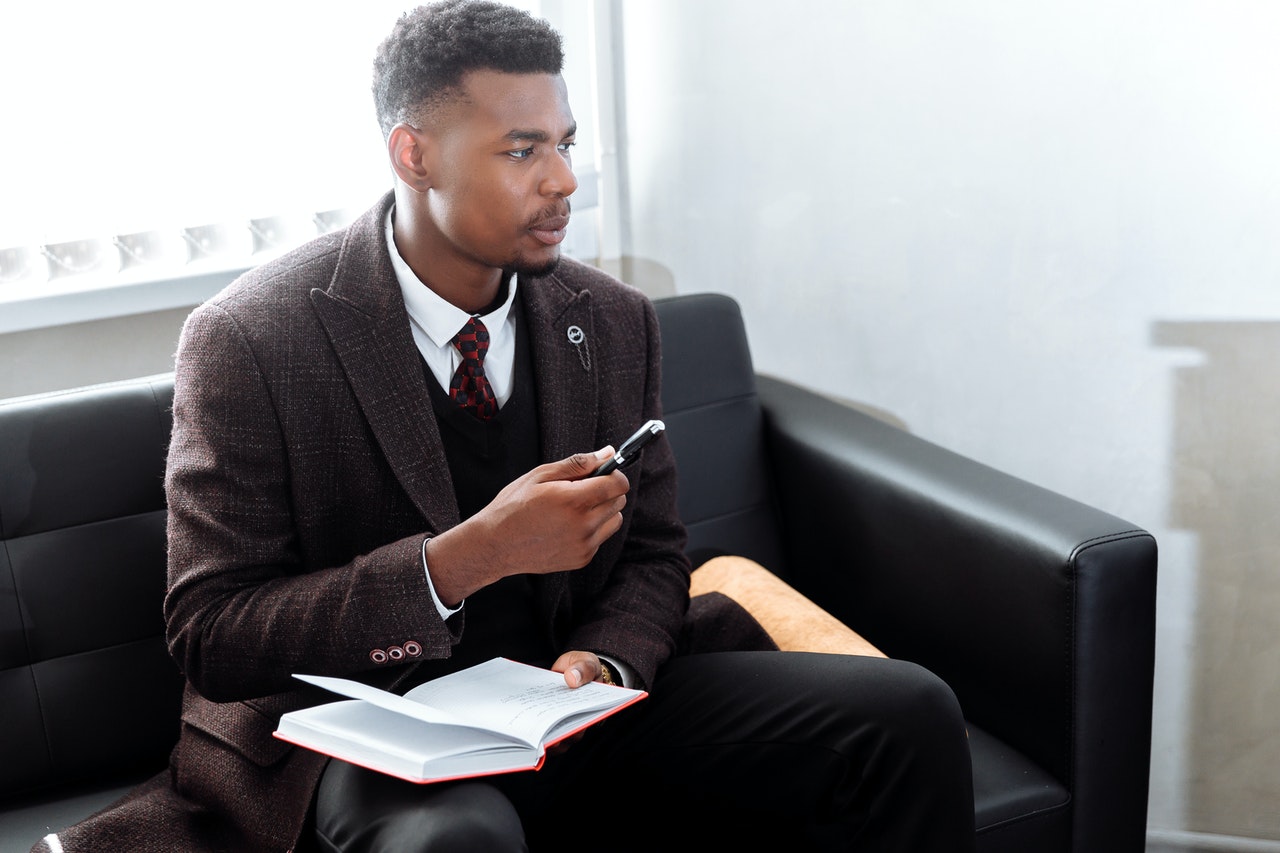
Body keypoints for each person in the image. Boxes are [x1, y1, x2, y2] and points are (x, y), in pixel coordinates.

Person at [33, 2, 975, 851]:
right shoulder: (249, 339)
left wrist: (605, 658)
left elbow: (653, 554)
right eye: (522, 150)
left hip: (566, 702)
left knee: (907, 710)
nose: (563, 179)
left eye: (565, 142)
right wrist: (459, 562)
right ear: (414, 154)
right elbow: (213, 632)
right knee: (458, 843)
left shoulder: (611, 319)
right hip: (367, 732)